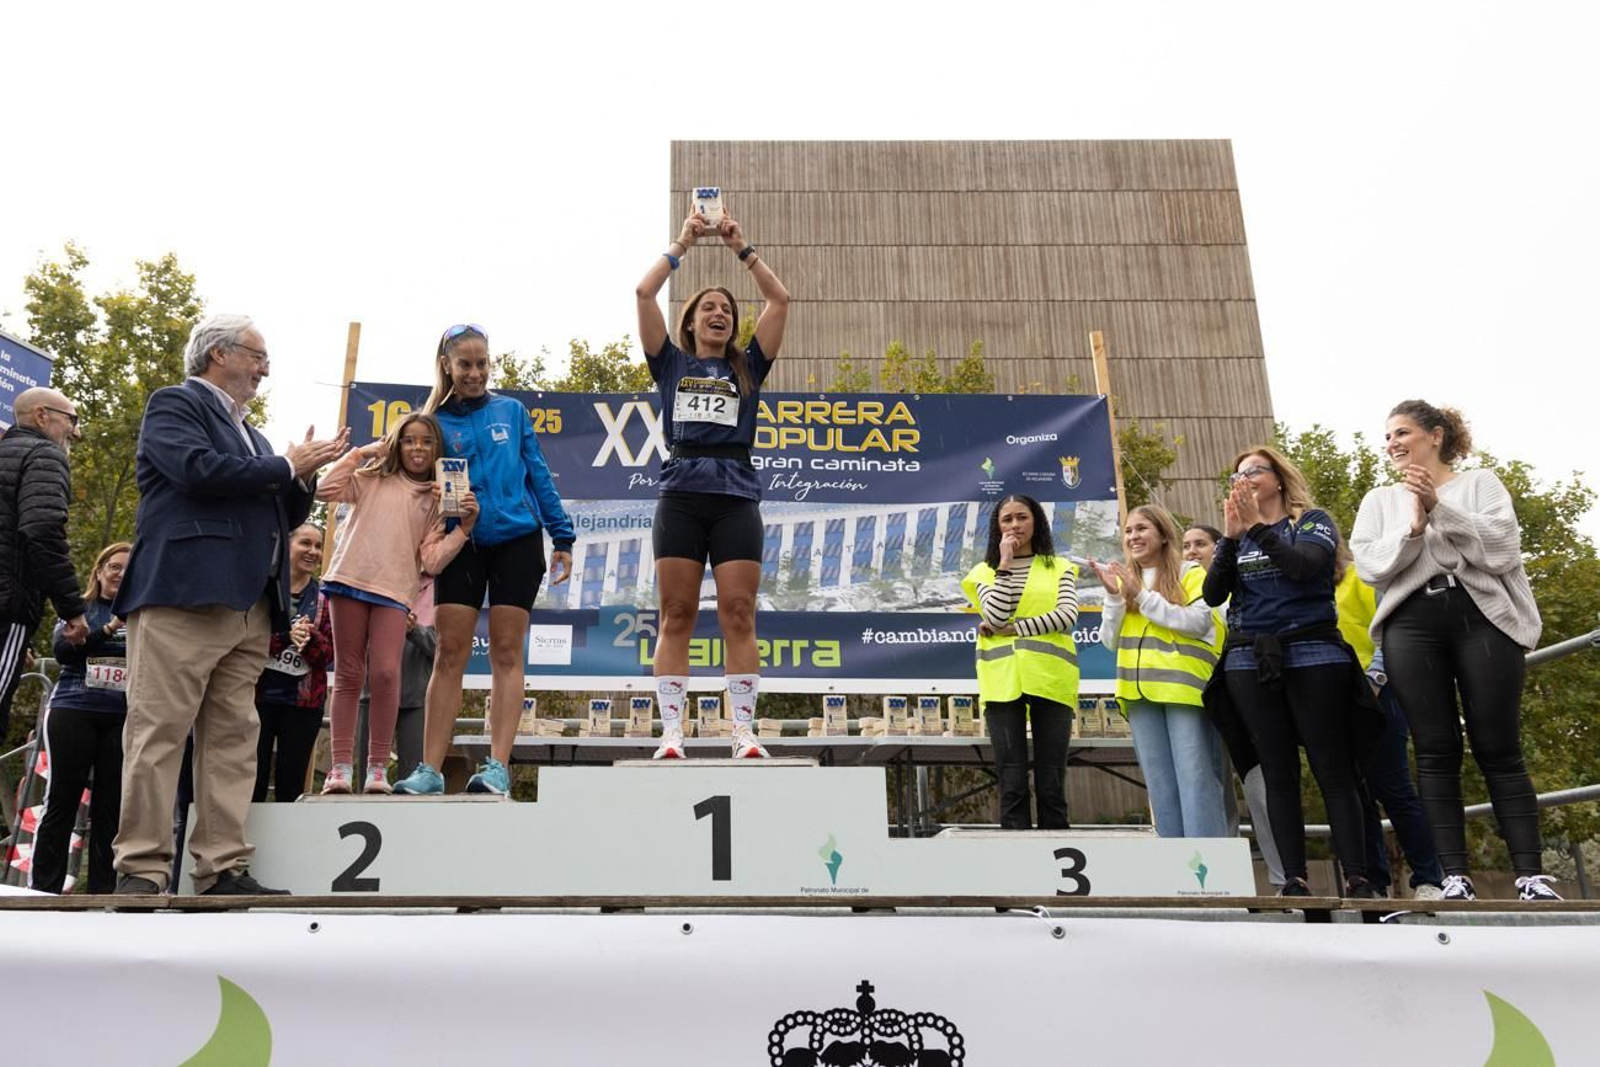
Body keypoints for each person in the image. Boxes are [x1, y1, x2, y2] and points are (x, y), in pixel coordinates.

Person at [111, 314, 348, 896]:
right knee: (158, 732)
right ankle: (140, 870)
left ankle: (221, 868)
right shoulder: (174, 405)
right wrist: (288, 467)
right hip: (182, 595)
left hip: (249, 607)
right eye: (257, 355)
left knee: (233, 742)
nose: (265, 368)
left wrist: (309, 484)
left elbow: (276, 514)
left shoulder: (256, 437)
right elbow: (197, 471)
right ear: (218, 353)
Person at [1351, 400, 1558, 902]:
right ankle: (1453, 878)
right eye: (1388, 437)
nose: (1392, 444)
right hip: (1411, 623)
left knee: (1497, 745)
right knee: (1434, 748)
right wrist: (1415, 527)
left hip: (1481, 617)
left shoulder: (1480, 484)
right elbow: (1371, 566)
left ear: (1436, 435)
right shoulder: (1380, 499)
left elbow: (1502, 548)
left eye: (1402, 433)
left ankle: (1530, 875)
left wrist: (1440, 507)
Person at [634, 204, 791, 760]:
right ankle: (672, 731)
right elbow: (643, 295)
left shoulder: (749, 365)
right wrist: (682, 243)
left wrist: (740, 248)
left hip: (735, 497)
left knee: (739, 613)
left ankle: (743, 730)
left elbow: (780, 301)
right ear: (692, 322)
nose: (719, 313)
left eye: (726, 309)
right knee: (676, 613)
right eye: (708, 308)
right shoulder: (670, 364)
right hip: (681, 494)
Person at [394, 328, 571, 796]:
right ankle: (429, 770)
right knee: (449, 653)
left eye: (482, 363)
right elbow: (409, 477)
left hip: (517, 539)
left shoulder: (510, 411)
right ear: (447, 365)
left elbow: (538, 474)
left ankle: (497, 766)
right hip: (461, 543)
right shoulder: (432, 421)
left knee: (507, 652)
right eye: (465, 364)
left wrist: (563, 536)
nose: (474, 373)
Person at [1202, 445, 1382, 898]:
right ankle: (1294, 880)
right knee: (1277, 771)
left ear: (1279, 479)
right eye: (1236, 476)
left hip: (1312, 652)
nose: (1242, 481)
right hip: (1250, 659)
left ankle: (1358, 877)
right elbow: (1211, 593)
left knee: (1331, 767)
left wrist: (1259, 528)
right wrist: (1228, 536)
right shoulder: (1240, 536)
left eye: (1253, 472)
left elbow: (1304, 568)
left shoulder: (1311, 521)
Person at [320, 411, 474, 794]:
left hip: (394, 591)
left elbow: (433, 560)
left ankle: (376, 768)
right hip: (349, 580)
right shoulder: (373, 477)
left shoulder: (436, 499)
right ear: (396, 444)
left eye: (425, 441)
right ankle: (339, 768)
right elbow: (325, 488)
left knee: (387, 674)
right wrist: (357, 455)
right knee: (349, 674)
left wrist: (465, 529)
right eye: (408, 440)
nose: (417, 448)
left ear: (436, 448)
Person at [1095, 505, 1228, 838]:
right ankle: (1175, 869)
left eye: (1141, 529)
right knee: (1159, 783)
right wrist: (1114, 597)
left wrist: (1142, 597)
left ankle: (1208, 870)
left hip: (1184, 691)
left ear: (1163, 534)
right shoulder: (1126, 580)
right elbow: (1109, 641)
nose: (1133, 536)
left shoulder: (1190, 573)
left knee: (1195, 777)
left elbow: (1201, 622)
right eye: (1128, 531)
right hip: (1138, 695)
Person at [1332, 543, 1445, 899]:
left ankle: (1429, 877)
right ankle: (1372, 882)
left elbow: (1389, 630)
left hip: (1375, 694)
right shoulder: (1303, 588)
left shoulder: (1359, 577)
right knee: (1352, 793)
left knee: (1393, 787)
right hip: (1331, 702)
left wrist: (1376, 679)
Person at [961, 495, 1079, 829]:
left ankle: (1056, 850)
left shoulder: (1060, 567)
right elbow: (995, 615)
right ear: (997, 528)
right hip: (1002, 683)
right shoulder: (984, 572)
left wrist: (1017, 628)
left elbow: (1068, 616)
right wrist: (1006, 564)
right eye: (1006, 519)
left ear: (1037, 521)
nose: (1014, 525)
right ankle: (1018, 865)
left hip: (1052, 680)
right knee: (1011, 780)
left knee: (1051, 780)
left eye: (1022, 517)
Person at [28, 542, 130, 893]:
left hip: (121, 717)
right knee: (62, 800)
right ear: (99, 571)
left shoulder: (146, 614)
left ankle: (102, 894)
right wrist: (108, 628)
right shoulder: (81, 609)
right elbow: (64, 651)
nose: (120, 574)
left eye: (128, 569)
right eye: (114, 567)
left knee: (111, 808)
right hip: (73, 710)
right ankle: (44, 890)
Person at [0, 386, 88, 739]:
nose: (76, 431)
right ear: (41, 415)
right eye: (72, 419)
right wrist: (73, 609)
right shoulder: (45, 456)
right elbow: (43, 531)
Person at [252, 523, 333, 803]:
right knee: (252, 776)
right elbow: (244, 640)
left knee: (291, 782)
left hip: (303, 703)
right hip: (256, 697)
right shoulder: (262, 587)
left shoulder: (326, 597)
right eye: (306, 544)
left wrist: (309, 639)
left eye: (318, 546)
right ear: (287, 546)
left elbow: (329, 655)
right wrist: (286, 636)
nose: (313, 551)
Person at [356, 574, 437, 786]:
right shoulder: (377, 579)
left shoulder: (438, 590)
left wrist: (415, 631)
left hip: (415, 698)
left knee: (413, 781)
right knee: (367, 778)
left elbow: (444, 649)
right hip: (373, 694)